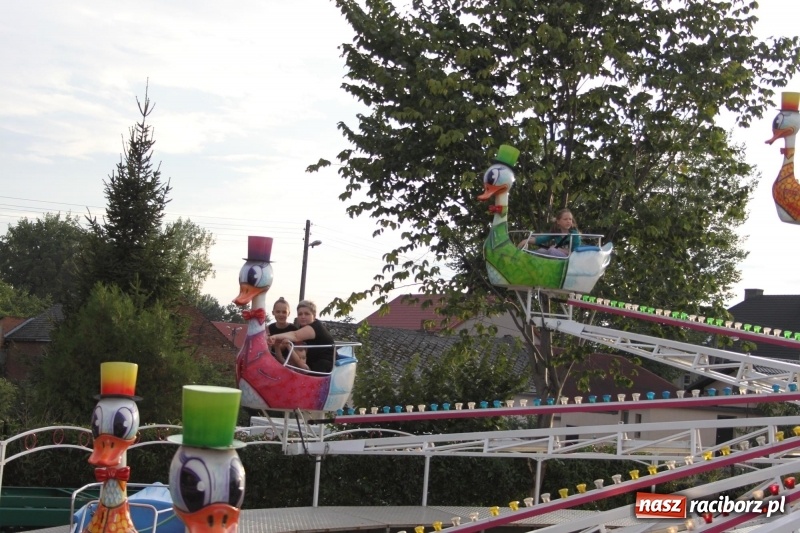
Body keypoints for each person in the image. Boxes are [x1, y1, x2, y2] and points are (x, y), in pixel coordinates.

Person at [269, 300, 335, 373]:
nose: (303, 317)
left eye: (307, 314)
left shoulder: (315, 326)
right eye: (300, 314)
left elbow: (295, 335)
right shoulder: (301, 327)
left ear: (314, 315)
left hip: (324, 364)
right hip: (309, 362)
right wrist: (277, 345)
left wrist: (274, 337)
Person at [267, 297, 298, 365]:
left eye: (284, 312)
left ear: (288, 313)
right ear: (273, 312)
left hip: (288, 361)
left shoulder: (293, 329)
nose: (281, 314)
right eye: (278, 312)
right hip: (272, 359)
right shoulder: (270, 328)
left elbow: (282, 348)